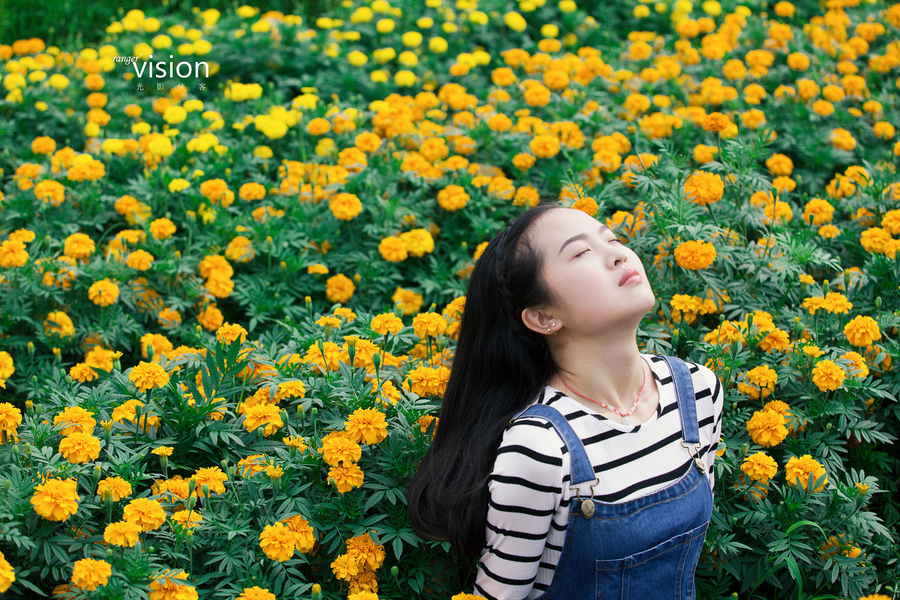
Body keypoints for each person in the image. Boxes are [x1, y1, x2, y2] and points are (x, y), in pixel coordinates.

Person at [407, 203, 724, 600]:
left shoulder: (696, 391)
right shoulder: (541, 446)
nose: (618, 253)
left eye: (611, 239)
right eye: (581, 253)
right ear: (543, 317)